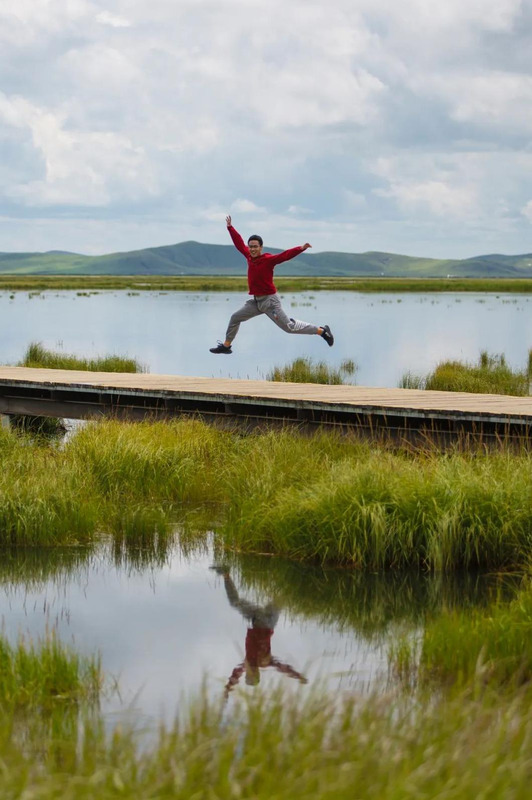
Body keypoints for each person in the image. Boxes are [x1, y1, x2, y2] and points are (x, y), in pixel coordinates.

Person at [209, 216, 334, 354]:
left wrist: (301, 248)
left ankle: (322, 332)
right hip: (256, 302)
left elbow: (284, 256)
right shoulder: (249, 256)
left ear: (261, 247)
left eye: (255, 247)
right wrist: (230, 228)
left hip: (270, 302)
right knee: (235, 318)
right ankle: (226, 346)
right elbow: (239, 243)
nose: (252, 249)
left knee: (289, 328)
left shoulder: (268, 260)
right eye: (250, 246)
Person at [210, 565, 308, 696]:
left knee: (281, 598)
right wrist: (298, 676)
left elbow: (283, 668)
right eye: (250, 675)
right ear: (255, 674)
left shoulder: (259, 663)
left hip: (270, 622)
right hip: (261, 620)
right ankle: (226, 574)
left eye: (248, 676)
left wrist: (228, 687)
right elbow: (284, 669)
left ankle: (299, 575)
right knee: (236, 602)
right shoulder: (256, 662)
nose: (248, 673)